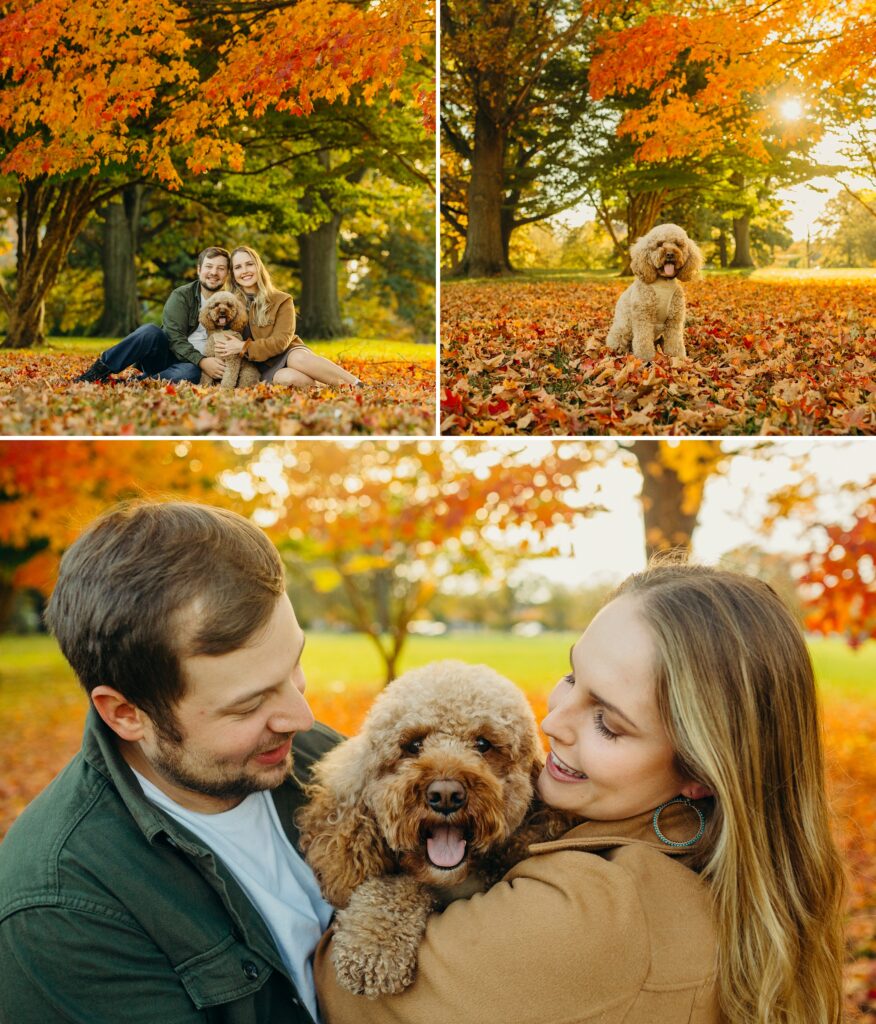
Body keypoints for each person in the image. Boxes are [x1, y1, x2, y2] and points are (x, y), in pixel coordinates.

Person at [314, 563, 847, 1024]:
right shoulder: (685, 854)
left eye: (608, 723)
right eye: (572, 677)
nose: (552, 722)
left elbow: (340, 994)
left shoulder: (591, 916)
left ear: (700, 772)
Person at [0, 501, 341, 1024]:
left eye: (294, 666)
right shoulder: (62, 910)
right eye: (248, 705)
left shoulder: (327, 761)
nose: (302, 716)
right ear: (126, 714)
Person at [74, 248, 233, 384]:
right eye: (209, 266)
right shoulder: (182, 296)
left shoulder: (233, 303)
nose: (213, 272)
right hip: (167, 357)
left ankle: (138, 382)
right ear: (199, 270)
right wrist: (202, 361)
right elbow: (174, 337)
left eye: (220, 268)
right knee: (150, 331)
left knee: (191, 373)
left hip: (192, 368)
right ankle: (99, 370)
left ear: (227, 273)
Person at [210, 245, 361, 388]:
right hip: (261, 367)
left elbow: (281, 341)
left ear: (258, 267)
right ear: (233, 274)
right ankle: (322, 387)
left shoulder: (281, 299)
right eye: (238, 267)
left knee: (298, 358)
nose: (244, 270)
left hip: (288, 353)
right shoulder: (228, 303)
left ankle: (356, 385)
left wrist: (244, 347)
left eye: (249, 264)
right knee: (288, 379)